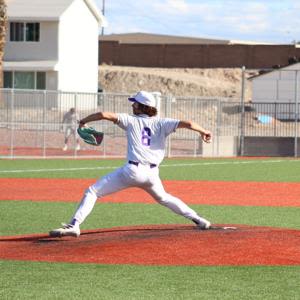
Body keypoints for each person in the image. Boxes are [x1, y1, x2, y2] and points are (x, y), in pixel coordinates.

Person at [50, 91, 212, 237]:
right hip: (152, 175)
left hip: (132, 171)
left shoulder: (130, 120)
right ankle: (198, 219)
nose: (132, 105)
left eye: (135, 103)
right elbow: (189, 123)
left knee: (92, 191)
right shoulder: (162, 123)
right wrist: (204, 131)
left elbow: (104, 114)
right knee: (164, 198)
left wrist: (84, 120)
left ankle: (74, 225)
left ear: (142, 107)